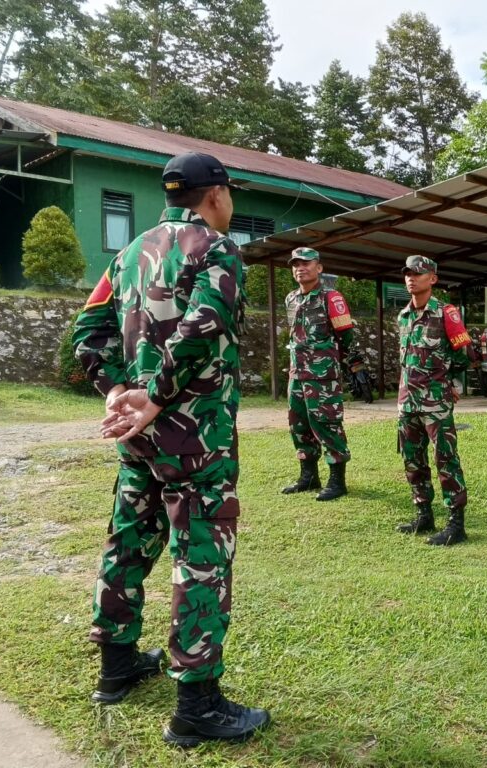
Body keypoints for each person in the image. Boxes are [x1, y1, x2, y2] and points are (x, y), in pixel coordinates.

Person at [73, 151, 269, 746]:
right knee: (202, 550)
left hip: (140, 435)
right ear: (217, 194)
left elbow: (89, 332)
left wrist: (116, 392)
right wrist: (155, 396)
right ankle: (197, 704)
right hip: (195, 435)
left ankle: (118, 665)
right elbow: (204, 325)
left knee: (129, 537)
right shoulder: (216, 248)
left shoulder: (128, 254)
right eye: (231, 195)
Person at [394, 255, 472, 545]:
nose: (411, 278)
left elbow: (462, 354)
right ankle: (423, 514)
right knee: (412, 459)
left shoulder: (445, 313)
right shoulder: (403, 316)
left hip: (435, 402)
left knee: (445, 459)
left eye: (417, 273)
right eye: (407, 273)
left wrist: (448, 381)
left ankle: (456, 523)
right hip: (407, 401)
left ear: (433, 279)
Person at [280, 247, 356, 501]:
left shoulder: (331, 297)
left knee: (327, 424)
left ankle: (337, 481)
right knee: (298, 425)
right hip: (297, 374)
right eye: (296, 264)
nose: (300, 268)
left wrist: (346, 364)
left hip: (322, 376)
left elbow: (346, 335)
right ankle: (309, 476)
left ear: (319, 268)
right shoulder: (291, 298)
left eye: (306, 263)